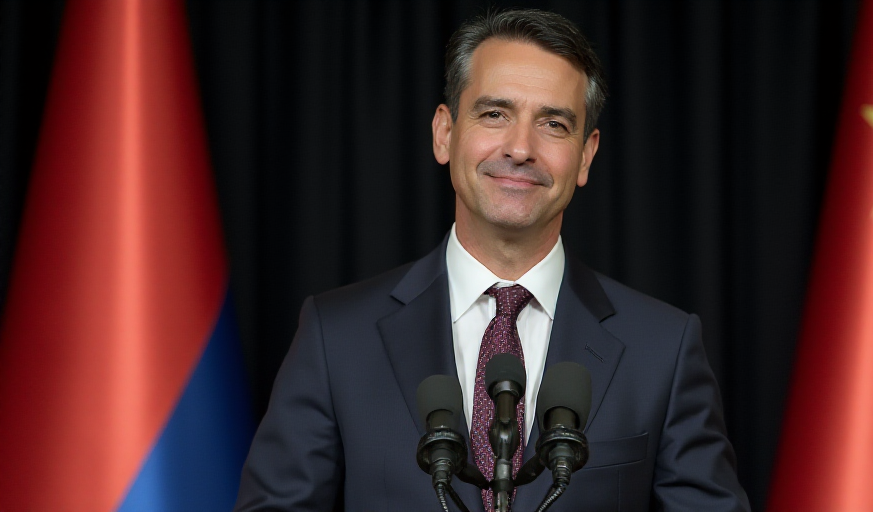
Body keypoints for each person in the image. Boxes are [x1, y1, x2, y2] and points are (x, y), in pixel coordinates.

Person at [235, 8, 749, 512]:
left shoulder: (664, 349)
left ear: (586, 155)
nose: (520, 148)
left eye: (553, 123)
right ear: (445, 133)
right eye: (494, 114)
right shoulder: (336, 336)